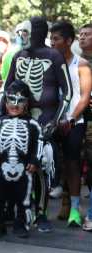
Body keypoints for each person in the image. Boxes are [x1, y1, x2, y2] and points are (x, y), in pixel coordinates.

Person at [0, 16, 72, 233]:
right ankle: (16, 210)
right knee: (13, 164)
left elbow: (67, 92)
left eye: (26, 32)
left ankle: (41, 213)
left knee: (41, 166)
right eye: (21, 32)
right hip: (18, 119)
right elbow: (6, 88)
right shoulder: (18, 56)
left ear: (38, 32)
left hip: (44, 120)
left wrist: (55, 121)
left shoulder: (54, 56)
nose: (22, 36)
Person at [0, 80, 43, 239]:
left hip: (24, 170)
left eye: (20, 101)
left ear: (27, 103)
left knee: (24, 200)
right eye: (11, 100)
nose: (15, 105)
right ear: (5, 101)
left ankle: (21, 224)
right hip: (0, 169)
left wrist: (34, 161)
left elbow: (38, 143)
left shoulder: (33, 125)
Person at [50, 21, 92, 227]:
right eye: (51, 38)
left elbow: (85, 98)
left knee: (73, 164)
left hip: (74, 122)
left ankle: (75, 209)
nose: (52, 43)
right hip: (50, 122)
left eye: (56, 39)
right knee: (44, 164)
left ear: (69, 41)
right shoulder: (48, 62)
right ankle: (38, 208)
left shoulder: (81, 64)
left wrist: (72, 118)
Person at [79, 23, 92, 231]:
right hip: (79, 119)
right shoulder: (75, 62)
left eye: (88, 34)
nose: (82, 37)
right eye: (80, 34)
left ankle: (90, 214)